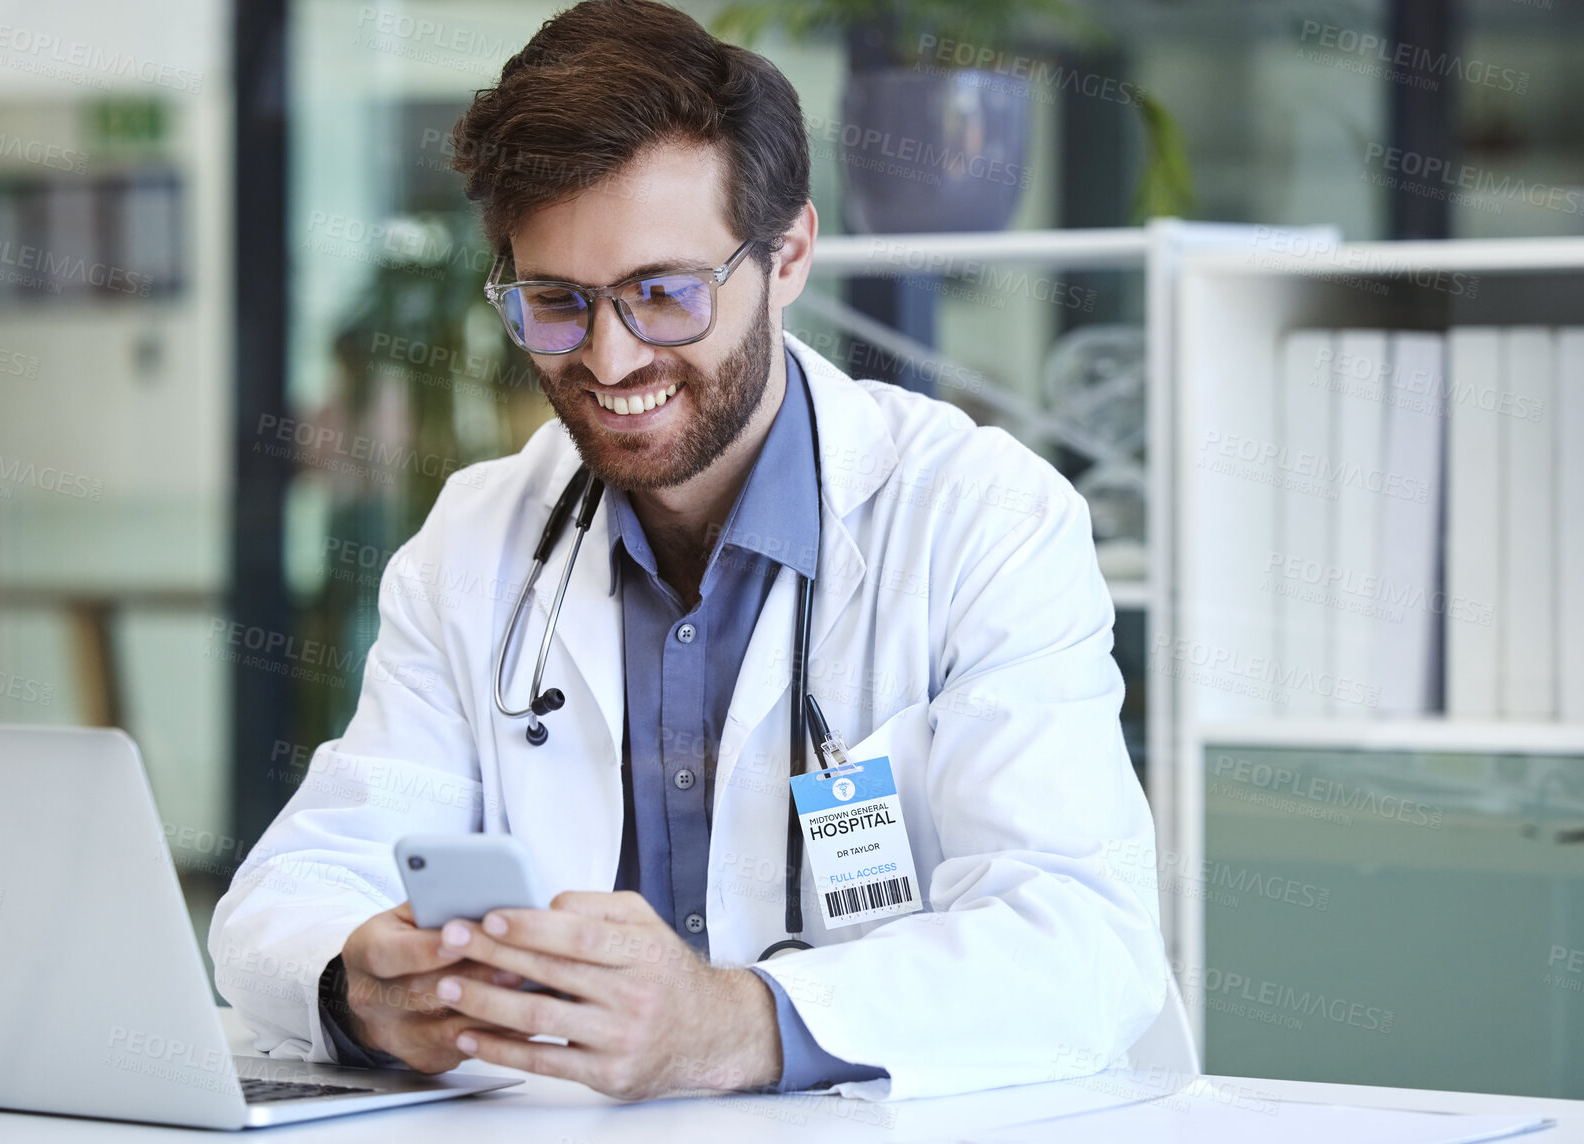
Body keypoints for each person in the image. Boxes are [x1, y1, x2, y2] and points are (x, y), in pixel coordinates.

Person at [209, 0, 1165, 1103]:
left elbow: (1083, 944)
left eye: (663, 294)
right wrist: (355, 984)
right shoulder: (476, 538)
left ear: (788, 254)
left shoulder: (980, 518)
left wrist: (728, 1022)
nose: (610, 359)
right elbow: (294, 887)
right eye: (556, 304)